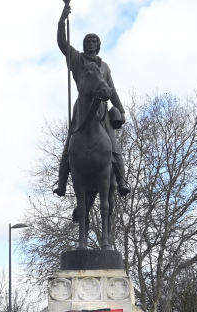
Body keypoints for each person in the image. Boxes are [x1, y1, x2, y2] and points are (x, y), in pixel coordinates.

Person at [54, 2, 131, 197]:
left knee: (114, 145)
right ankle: (62, 180)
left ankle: (121, 179)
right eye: (87, 42)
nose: (90, 44)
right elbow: (63, 44)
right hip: (82, 108)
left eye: (93, 42)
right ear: (84, 45)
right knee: (70, 141)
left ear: (98, 45)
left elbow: (111, 90)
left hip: (102, 110)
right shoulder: (77, 59)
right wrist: (62, 19)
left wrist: (120, 109)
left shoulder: (104, 66)